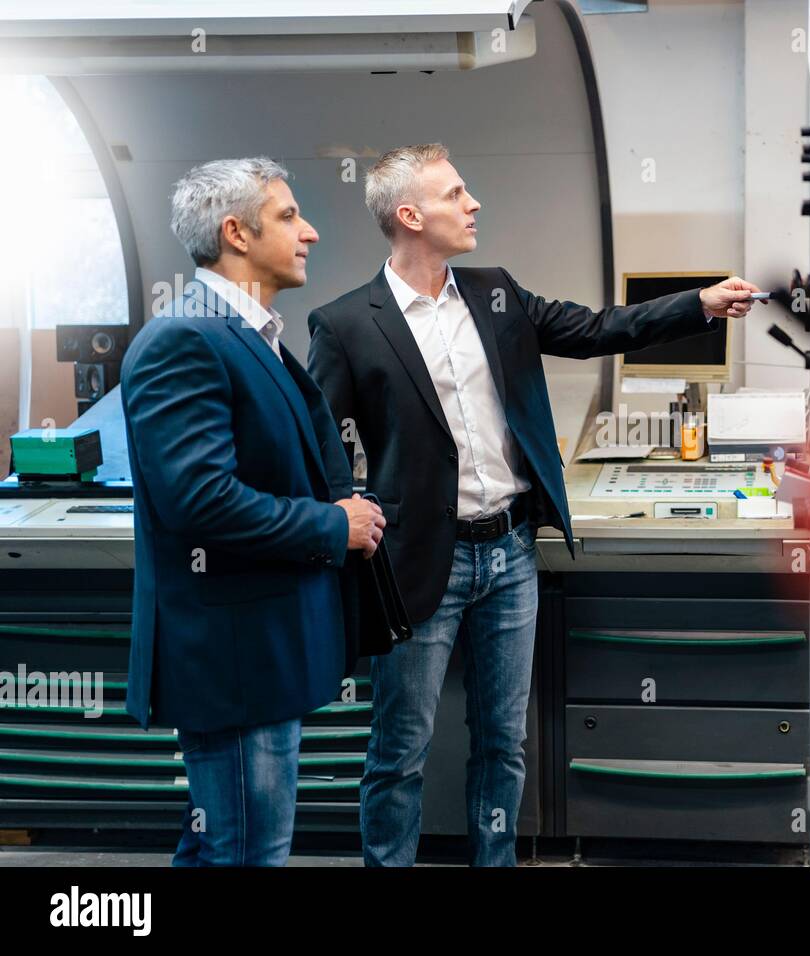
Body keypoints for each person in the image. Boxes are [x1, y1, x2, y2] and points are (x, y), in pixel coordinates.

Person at [307, 142, 763, 866]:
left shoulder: (496, 291)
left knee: (502, 741)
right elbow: (316, 442)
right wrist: (344, 513)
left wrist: (699, 305)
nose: (473, 203)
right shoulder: (346, 324)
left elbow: (596, 329)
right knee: (400, 748)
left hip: (511, 554)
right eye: (456, 193)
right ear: (409, 215)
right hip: (420, 562)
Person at [120, 157, 385, 865]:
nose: (311, 233)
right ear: (236, 232)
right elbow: (201, 501)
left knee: (234, 842)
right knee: (240, 850)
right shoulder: (185, 340)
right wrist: (335, 526)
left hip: (261, 648)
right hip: (230, 657)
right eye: (291, 216)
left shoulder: (247, 335)